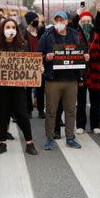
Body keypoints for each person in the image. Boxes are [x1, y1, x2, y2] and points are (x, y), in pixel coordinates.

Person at [0, 18, 38, 155]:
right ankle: (2, 143)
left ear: (17, 29)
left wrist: (38, 69)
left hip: (18, 88)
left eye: (13, 27)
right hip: (0, 88)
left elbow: (30, 64)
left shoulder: (22, 45)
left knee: (22, 114)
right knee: (2, 114)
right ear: (2, 29)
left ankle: (29, 143)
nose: (10, 29)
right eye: (7, 27)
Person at [38, 11, 87, 150]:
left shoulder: (74, 35)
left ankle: (70, 138)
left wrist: (84, 58)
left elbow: (79, 54)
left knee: (71, 110)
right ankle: (49, 138)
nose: (59, 22)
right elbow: (37, 56)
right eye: (56, 20)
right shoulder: (46, 36)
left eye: (62, 20)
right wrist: (45, 58)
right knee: (51, 111)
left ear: (67, 22)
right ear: (54, 21)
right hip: (53, 79)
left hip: (71, 79)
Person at [76, 11, 100, 133]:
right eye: (84, 21)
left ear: (92, 22)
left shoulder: (96, 34)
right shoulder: (76, 35)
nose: (86, 23)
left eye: (88, 21)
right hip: (81, 72)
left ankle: (95, 125)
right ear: (80, 22)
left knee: (95, 100)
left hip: (95, 71)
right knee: (81, 100)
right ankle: (80, 125)